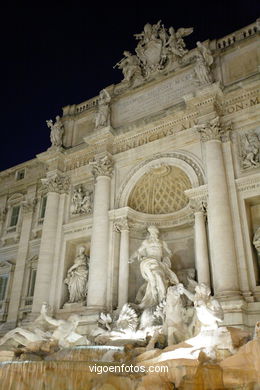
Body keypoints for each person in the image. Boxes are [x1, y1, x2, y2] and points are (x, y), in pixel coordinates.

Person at [129, 225, 179, 309]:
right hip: (149, 262)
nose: (154, 234)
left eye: (155, 232)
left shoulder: (162, 242)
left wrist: (166, 259)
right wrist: (132, 258)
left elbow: (170, 253)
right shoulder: (146, 242)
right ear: (150, 233)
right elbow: (138, 251)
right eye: (152, 232)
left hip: (159, 263)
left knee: (158, 276)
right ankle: (160, 299)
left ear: (157, 233)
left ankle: (159, 298)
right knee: (156, 275)